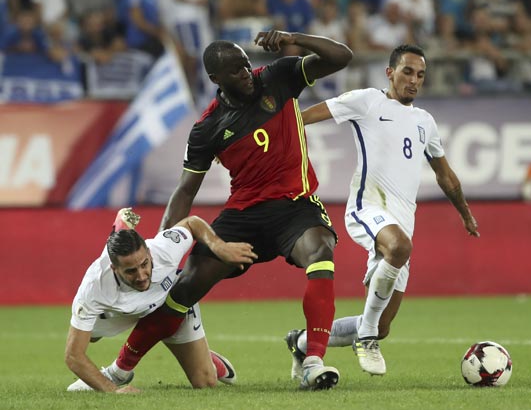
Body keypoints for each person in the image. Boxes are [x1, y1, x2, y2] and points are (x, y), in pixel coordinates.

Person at [107, 30, 353, 391]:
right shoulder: (208, 128)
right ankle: (119, 369)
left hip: (295, 205)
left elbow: (340, 56)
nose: (246, 73)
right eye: (236, 70)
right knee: (184, 287)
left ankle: (313, 360)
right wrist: (162, 250)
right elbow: (185, 190)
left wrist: (292, 38)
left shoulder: (277, 77)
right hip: (244, 215)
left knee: (320, 252)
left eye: (246, 63)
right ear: (215, 80)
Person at [284, 44, 480, 377]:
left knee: (383, 321)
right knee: (399, 250)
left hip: (402, 221)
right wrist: (260, 139)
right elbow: (302, 119)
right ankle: (367, 339)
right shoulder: (366, 101)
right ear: (389, 72)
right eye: (407, 72)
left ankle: (302, 342)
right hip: (366, 207)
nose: (414, 80)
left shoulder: (424, 122)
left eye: (420, 75)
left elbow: (444, 174)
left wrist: (464, 213)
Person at [64, 208, 256, 392]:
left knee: (206, 382)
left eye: (144, 264)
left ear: (148, 253)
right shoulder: (94, 288)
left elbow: (192, 223)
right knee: (93, 336)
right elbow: (73, 356)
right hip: (117, 315)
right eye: (130, 271)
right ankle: (119, 226)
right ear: (115, 269)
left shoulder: (163, 250)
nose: (141, 276)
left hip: (167, 306)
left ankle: (203, 356)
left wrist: (218, 245)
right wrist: (113, 391)